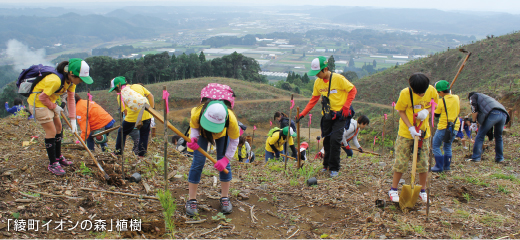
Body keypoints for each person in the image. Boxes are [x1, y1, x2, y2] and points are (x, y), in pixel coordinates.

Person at [27, 58, 93, 175]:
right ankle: (53, 163)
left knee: (59, 128)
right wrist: (54, 106)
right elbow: (42, 97)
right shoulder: (55, 80)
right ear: (71, 74)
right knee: (51, 131)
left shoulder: (71, 82)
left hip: (50, 102)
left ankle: (58, 157)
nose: (81, 81)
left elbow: (71, 99)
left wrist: (73, 120)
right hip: (37, 103)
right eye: (81, 79)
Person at [297, 56, 357, 178]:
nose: (316, 75)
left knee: (335, 140)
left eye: (317, 73)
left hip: (340, 115)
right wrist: (302, 114)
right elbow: (314, 99)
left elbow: (352, 90)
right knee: (327, 141)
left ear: (325, 69)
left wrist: (346, 106)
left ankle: (334, 168)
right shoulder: (317, 82)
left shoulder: (338, 79)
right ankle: (326, 165)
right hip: (327, 116)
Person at [388, 73, 438, 203]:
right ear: (411, 87)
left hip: (423, 133)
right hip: (406, 133)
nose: (421, 95)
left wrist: (426, 111)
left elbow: (435, 104)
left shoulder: (432, 90)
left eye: (423, 92)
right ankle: (393, 189)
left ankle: (422, 190)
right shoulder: (405, 94)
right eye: (418, 93)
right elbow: (400, 110)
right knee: (401, 161)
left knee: (423, 163)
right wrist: (410, 127)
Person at [185, 99, 239, 216]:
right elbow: (194, 127)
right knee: (198, 161)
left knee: (225, 164)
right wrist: (193, 138)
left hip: (223, 135)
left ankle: (225, 198)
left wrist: (225, 159)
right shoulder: (197, 112)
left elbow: (235, 141)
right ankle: (191, 200)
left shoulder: (231, 119)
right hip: (202, 133)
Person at [108, 76, 154, 158]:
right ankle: (142, 155)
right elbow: (151, 96)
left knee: (122, 132)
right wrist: (151, 110)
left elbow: (125, 112)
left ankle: (118, 152)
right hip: (147, 113)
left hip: (133, 117)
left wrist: (128, 123)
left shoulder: (120, 96)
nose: (115, 91)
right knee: (144, 134)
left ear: (118, 87)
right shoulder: (138, 86)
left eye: (115, 89)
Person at [465, 92, 510, 163]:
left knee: (480, 136)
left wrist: (473, 122)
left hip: (494, 113)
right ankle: (500, 158)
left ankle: (476, 158)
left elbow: (474, 109)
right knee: (498, 137)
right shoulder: (485, 97)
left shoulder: (473, 96)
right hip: (504, 114)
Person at [431, 80, 460, 172]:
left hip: (443, 127)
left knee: (435, 145)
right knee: (447, 146)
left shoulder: (441, 101)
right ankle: (446, 166)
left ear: (441, 92)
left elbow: (436, 114)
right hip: (454, 126)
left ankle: (439, 166)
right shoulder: (456, 97)